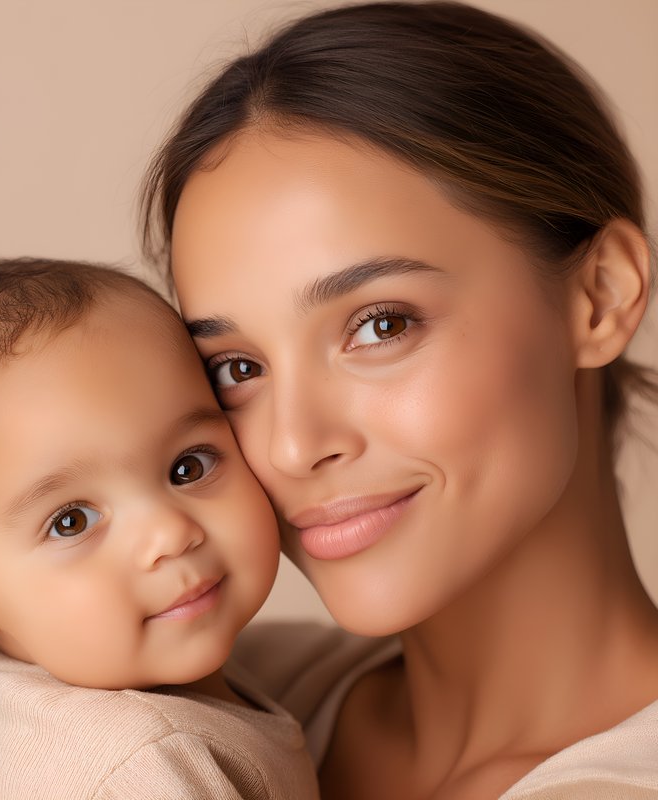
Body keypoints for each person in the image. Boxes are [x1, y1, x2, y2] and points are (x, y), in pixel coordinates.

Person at [140, 1, 658, 797]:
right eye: (235, 369)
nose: (291, 445)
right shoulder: (184, 737)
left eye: (379, 325)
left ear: (600, 295)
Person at [0, 258, 319, 800]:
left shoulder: (243, 669)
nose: (169, 535)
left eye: (188, 467)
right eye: (71, 522)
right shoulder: (130, 771)